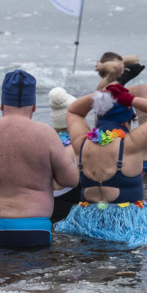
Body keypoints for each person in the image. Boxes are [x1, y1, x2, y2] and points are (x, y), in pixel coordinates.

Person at [0, 70, 79, 247]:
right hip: (32, 226)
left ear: (2, 104)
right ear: (34, 106)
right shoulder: (45, 134)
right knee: (34, 273)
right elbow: (70, 180)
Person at [54, 84, 147, 246]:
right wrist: (131, 99)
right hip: (124, 225)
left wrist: (100, 96)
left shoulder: (81, 142)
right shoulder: (131, 144)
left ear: (99, 118)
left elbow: (73, 111)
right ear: (127, 120)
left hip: (87, 221)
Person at [48, 87, 80, 223]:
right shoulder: (77, 146)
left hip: (45, 205)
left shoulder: (47, 140)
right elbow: (59, 185)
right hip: (67, 210)